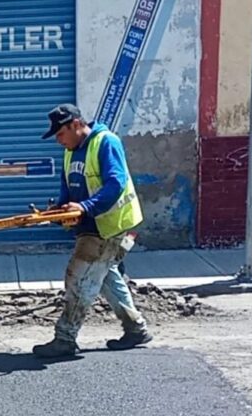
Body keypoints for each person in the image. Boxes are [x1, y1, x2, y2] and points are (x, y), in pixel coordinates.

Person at [32, 103, 152, 358]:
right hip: (92, 225)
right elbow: (67, 186)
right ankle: (136, 329)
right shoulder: (70, 151)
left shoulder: (106, 142)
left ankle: (65, 338)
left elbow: (116, 183)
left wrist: (85, 207)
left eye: (60, 133)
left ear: (76, 124)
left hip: (110, 226)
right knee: (105, 275)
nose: (58, 140)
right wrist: (60, 210)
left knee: (79, 277)